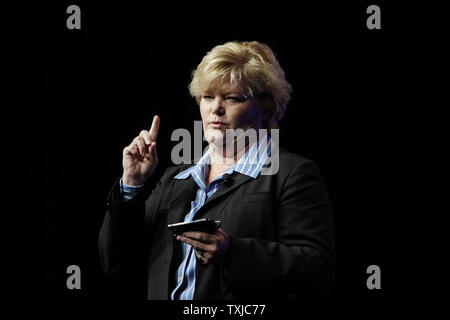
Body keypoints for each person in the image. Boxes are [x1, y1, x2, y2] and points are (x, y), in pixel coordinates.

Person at [99, 41, 335, 299]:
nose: (215, 109)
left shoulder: (292, 173)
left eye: (232, 98)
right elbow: (116, 262)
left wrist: (233, 253)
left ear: (265, 108)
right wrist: (131, 184)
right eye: (208, 97)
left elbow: (318, 269)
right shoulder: (174, 178)